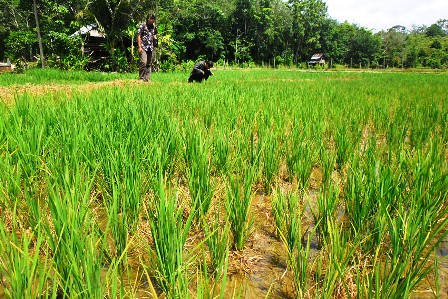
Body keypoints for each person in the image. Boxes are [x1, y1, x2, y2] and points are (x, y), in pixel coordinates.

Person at [137, 14, 158, 82]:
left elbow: (155, 34)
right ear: (147, 19)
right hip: (143, 46)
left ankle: (147, 78)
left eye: (153, 19)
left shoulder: (154, 26)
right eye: (150, 18)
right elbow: (139, 36)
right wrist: (139, 47)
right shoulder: (143, 25)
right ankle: (141, 78)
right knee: (143, 62)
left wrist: (156, 42)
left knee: (149, 63)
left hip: (150, 47)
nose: (152, 20)